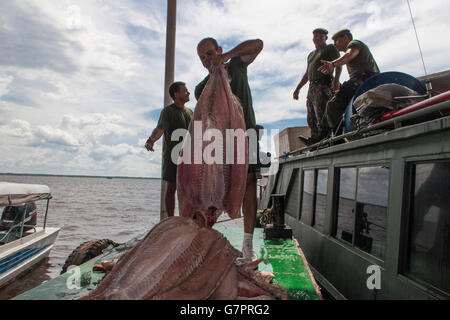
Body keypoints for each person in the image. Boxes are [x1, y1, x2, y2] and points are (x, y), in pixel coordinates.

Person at [195, 37, 263, 261]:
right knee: (209, 191)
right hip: (218, 142)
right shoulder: (200, 88)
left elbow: (258, 44)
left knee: (249, 184)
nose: (207, 58)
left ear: (219, 50)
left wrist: (227, 57)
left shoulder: (236, 65)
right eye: (202, 57)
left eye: (210, 53)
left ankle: (247, 245)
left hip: (246, 133)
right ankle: (202, 242)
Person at [318, 29, 380, 136]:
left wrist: (333, 64)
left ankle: (337, 139)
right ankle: (326, 136)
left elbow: (349, 55)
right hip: (370, 79)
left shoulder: (354, 44)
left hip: (362, 79)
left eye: (336, 40)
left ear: (346, 37)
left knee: (332, 106)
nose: (334, 44)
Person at [145, 82, 193, 217]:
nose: (188, 93)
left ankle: (187, 218)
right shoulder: (168, 111)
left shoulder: (190, 112)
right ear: (176, 95)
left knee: (189, 189)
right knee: (171, 188)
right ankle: (171, 219)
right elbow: (160, 128)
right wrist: (151, 140)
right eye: (185, 91)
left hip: (189, 157)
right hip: (172, 156)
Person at [293, 28, 342, 146]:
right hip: (312, 86)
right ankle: (314, 141)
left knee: (322, 113)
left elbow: (338, 63)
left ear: (326, 38)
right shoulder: (311, 55)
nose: (318, 38)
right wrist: (298, 88)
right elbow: (307, 74)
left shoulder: (329, 48)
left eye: (321, 36)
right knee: (311, 116)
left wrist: (336, 81)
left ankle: (326, 140)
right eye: (316, 36)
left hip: (324, 84)